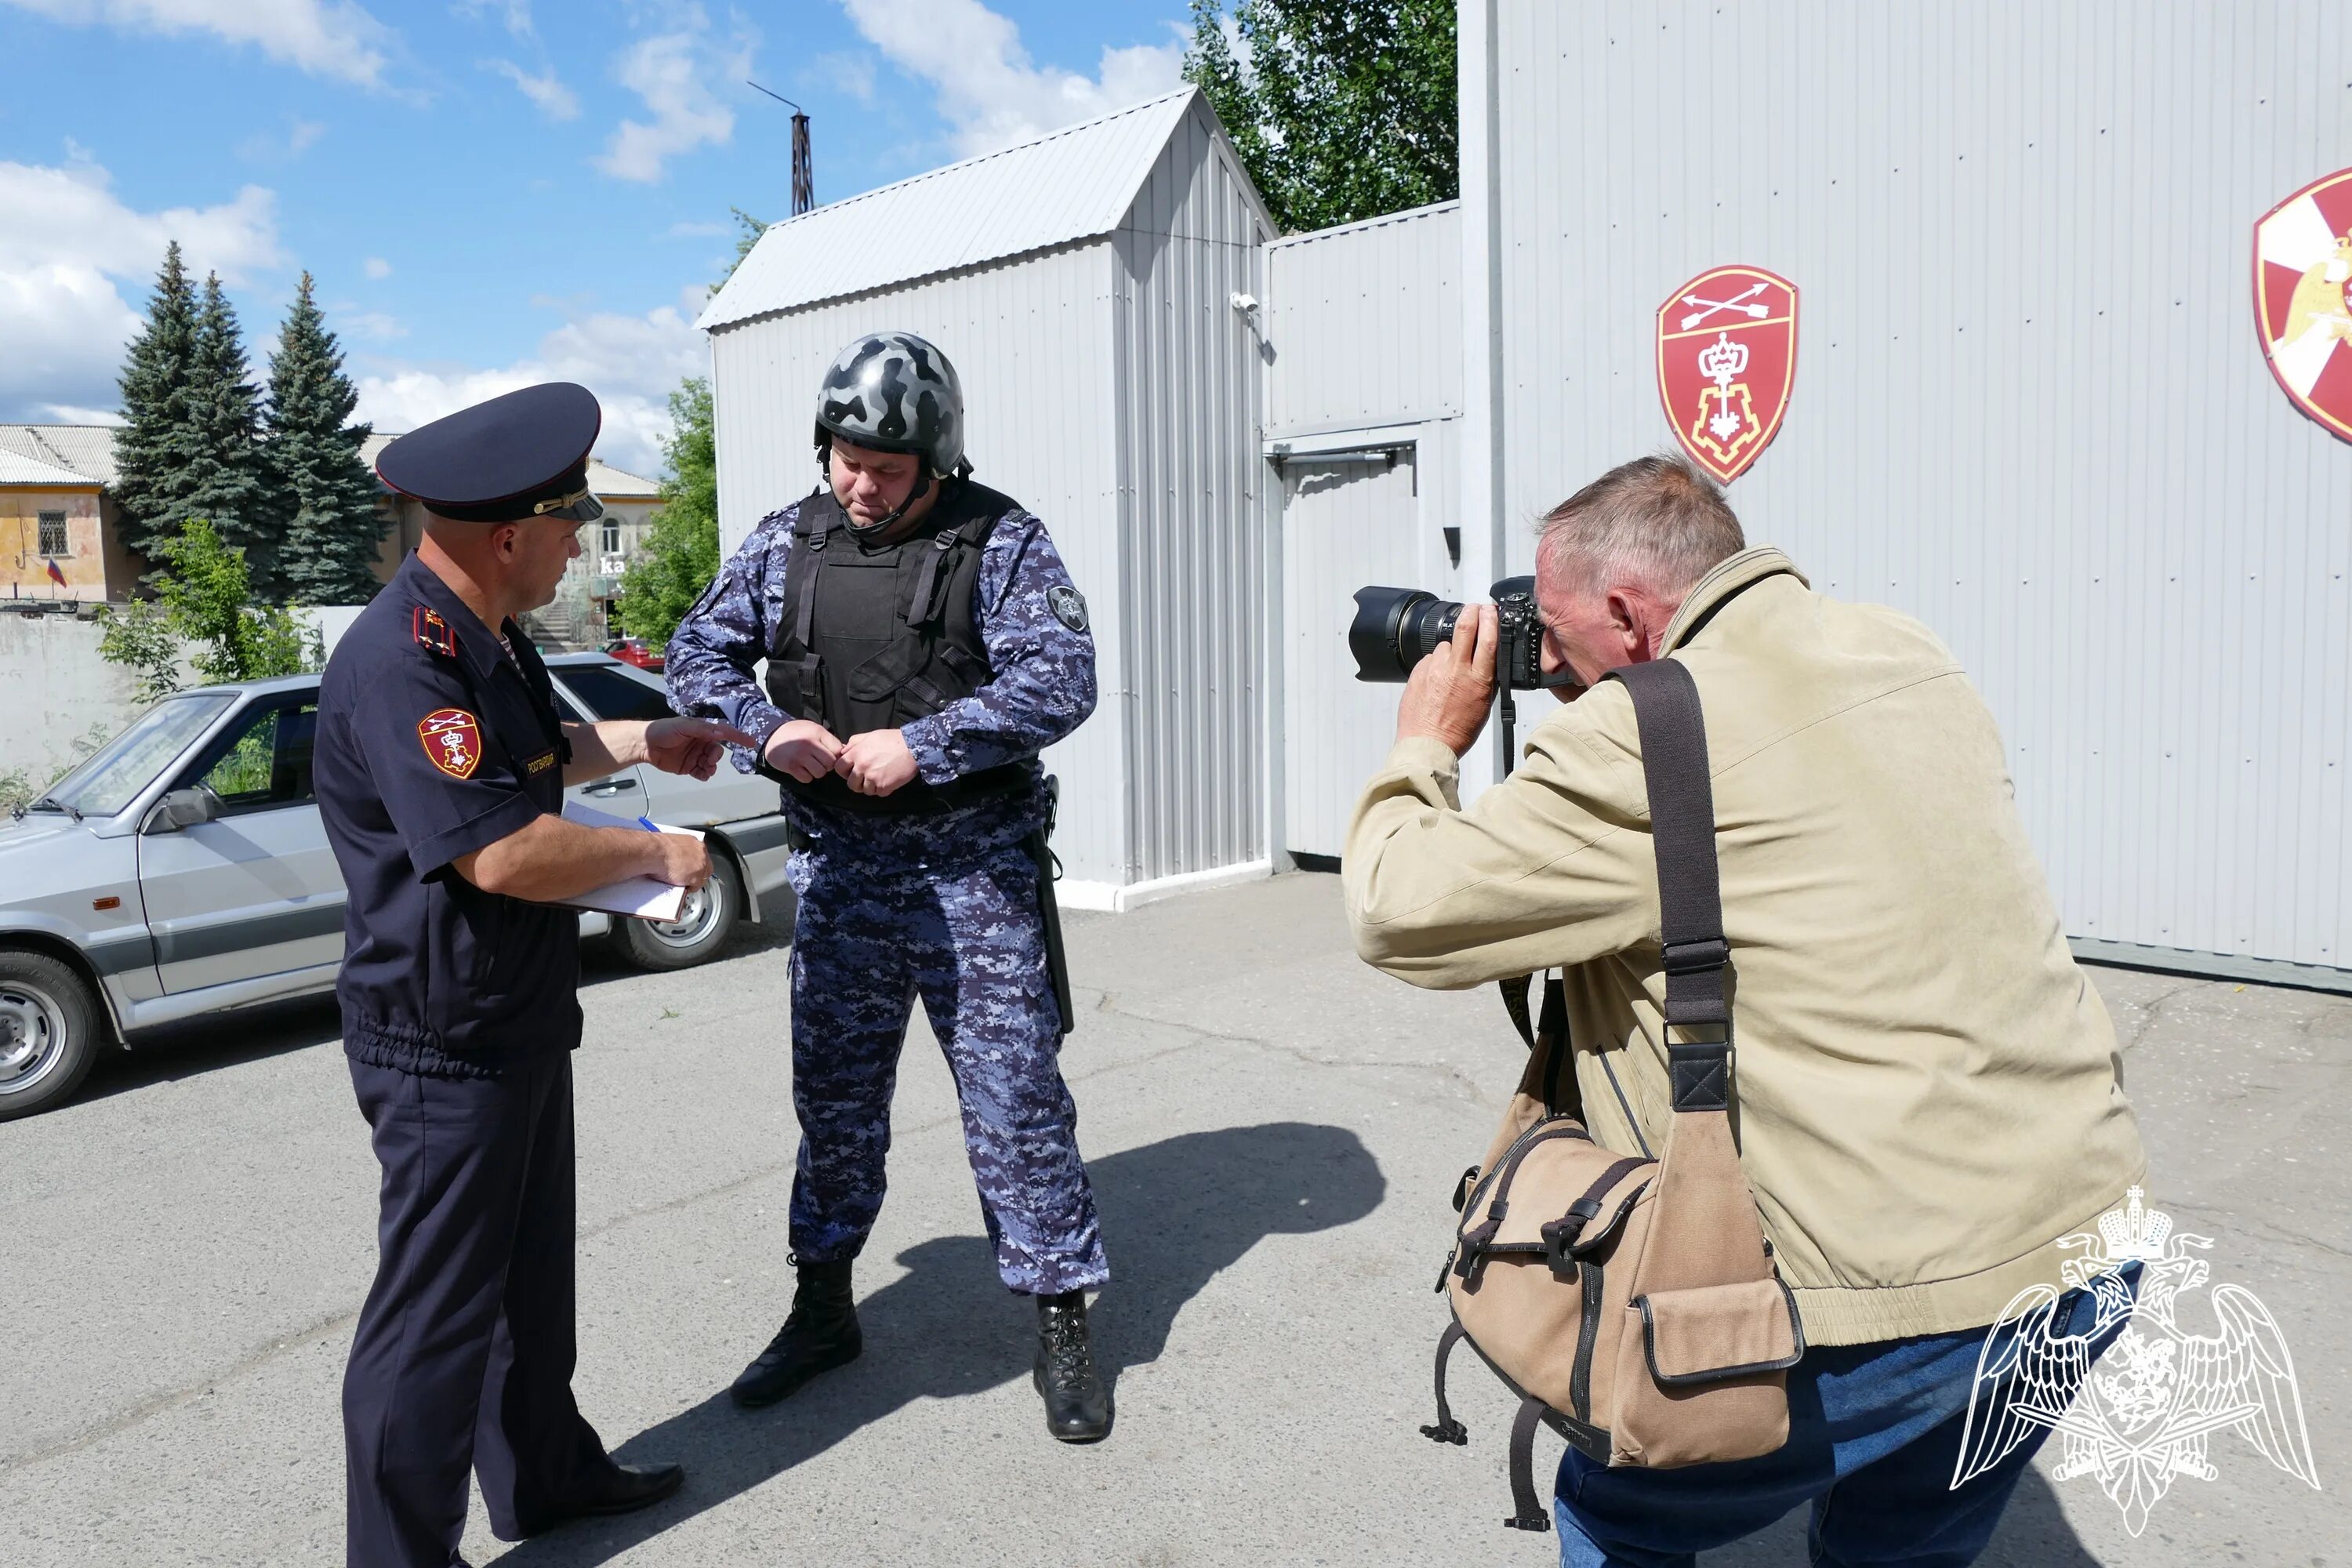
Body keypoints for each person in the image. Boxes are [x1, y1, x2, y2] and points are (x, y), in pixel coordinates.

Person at [1343, 456, 2147, 1566]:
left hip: (1894, 1304)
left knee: (1612, 1514)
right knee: (1900, 1541)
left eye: (1561, 631)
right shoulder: (1905, 650)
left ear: (1626, 611)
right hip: (2085, 1246)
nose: (1552, 656)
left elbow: (1397, 910)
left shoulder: (1641, 733)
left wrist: (1426, 741)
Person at [315, 382, 754, 1568]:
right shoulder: (403, 661)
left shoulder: (480, 636)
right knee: (432, 1323)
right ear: (512, 535)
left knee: (526, 1285)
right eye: (572, 524)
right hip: (438, 1039)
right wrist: (662, 854)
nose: (579, 542)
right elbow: (500, 847)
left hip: (507, 1014)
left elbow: (533, 758)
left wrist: (639, 739)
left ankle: (545, 1477)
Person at [664, 331, 1112, 1442]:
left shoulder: (1000, 541)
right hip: (840, 878)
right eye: (846, 459)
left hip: (974, 881)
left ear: (938, 463)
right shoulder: (786, 543)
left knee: (1016, 1110)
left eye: (889, 468)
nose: (861, 485)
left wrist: (931, 742)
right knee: (836, 1110)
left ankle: (1062, 1318)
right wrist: (769, 733)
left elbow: (1065, 679)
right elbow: (695, 656)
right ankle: (823, 1310)